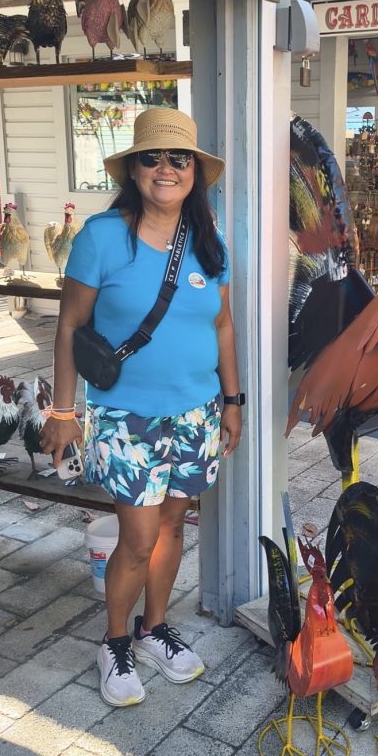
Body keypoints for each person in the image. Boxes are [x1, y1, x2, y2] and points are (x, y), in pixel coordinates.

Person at [39, 107, 242, 708]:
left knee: (174, 525)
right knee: (138, 536)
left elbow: (223, 327)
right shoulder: (102, 237)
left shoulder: (209, 242)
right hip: (126, 417)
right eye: (152, 157)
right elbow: (70, 326)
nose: (166, 168)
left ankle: (155, 628)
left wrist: (233, 401)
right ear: (133, 169)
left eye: (179, 158)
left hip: (197, 413)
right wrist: (63, 411)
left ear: (194, 172)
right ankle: (115, 641)